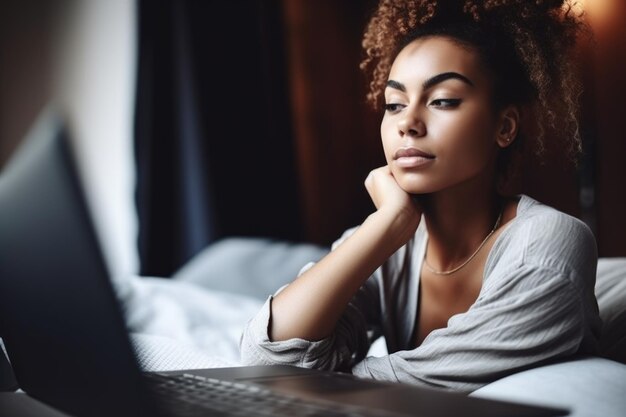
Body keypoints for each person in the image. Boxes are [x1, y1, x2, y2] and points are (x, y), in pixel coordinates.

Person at [240, 0, 601, 392]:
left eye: (443, 100)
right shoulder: (387, 242)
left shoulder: (549, 243)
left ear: (504, 126)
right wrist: (388, 223)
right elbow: (266, 359)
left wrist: (324, 379)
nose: (407, 123)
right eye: (394, 104)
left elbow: (426, 380)